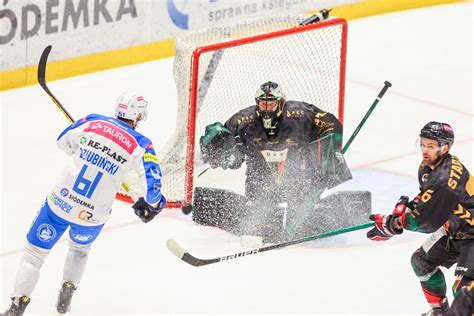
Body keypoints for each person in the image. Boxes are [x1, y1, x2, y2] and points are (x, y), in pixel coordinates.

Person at [1, 92, 167, 316]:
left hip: (61, 202)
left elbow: (63, 141)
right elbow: (154, 185)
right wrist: (151, 205)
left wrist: (88, 152)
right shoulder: (142, 144)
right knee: (79, 249)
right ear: (137, 116)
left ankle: (17, 306)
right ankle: (67, 291)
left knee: (33, 254)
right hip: (93, 214)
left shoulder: (93, 121)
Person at [192, 81, 369, 242]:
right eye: (262, 103)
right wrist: (220, 149)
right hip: (260, 179)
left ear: (281, 103)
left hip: (299, 177)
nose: (266, 108)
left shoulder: (302, 114)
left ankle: (317, 211)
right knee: (261, 225)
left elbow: (331, 124)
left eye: (271, 103)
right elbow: (223, 140)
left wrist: (328, 149)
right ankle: (265, 216)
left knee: (303, 229)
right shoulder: (242, 120)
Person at [367, 121, 473, 316]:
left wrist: (393, 224)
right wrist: (403, 212)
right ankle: (440, 311)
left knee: (464, 292)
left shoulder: (446, 178)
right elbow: (425, 198)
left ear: (445, 147)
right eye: (423, 144)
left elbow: (426, 222)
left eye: (430, 146)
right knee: (421, 261)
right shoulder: (429, 167)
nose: (425, 150)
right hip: (456, 228)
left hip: (471, 235)